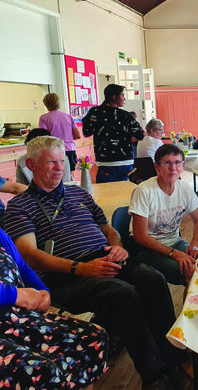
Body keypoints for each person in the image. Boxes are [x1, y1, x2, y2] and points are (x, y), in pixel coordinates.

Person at [4, 136, 187, 387]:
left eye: (61, 161)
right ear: (31, 165)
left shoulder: (78, 193)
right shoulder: (20, 206)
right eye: (51, 162)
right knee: (122, 293)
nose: (59, 168)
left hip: (105, 257)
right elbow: (29, 254)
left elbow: (108, 229)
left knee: (154, 279)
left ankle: (174, 361)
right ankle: (155, 374)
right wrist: (80, 268)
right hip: (65, 275)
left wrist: (118, 246)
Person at [0, 228, 108, 388]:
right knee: (42, 371)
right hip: (8, 321)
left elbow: (22, 267)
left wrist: (43, 291)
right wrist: (15, 295)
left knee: (92, 339)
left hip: (17, 319)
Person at [129, 144, 198, 285]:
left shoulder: (184, 188)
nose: (173, 168)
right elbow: (140, 237)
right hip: (148, 250)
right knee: (191, 270)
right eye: (167, 163)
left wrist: (194, 245)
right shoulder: (144, 191)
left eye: (177, 163)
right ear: (157, 167)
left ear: (183, 166)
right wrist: (174, 254)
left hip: (175, 242)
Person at [82, 84, 145, 183]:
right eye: (122, 95)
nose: (124, 99)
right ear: (114, 97)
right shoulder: (125, 115)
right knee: (126, 190)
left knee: (105, 190)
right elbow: (140, 135)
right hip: (125, 161)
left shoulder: (94, 112)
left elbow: (86, 132)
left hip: (105, 161)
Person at [39, 93, 81, 172]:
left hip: (54, 150)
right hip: (70, 149)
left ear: (46, 104)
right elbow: (77, 135)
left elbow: (43, 137)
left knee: (56, 174)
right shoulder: (68, 116)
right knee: (69, 175)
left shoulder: (44, 118)